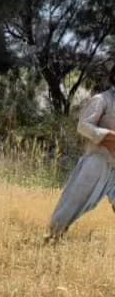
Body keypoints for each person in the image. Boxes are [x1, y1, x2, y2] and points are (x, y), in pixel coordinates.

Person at [48, 64, 115, 239]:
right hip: (97, 161)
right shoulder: (102, 99)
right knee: (72, 203)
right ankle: (53, 237)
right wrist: (108, 136)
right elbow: (83, 126)